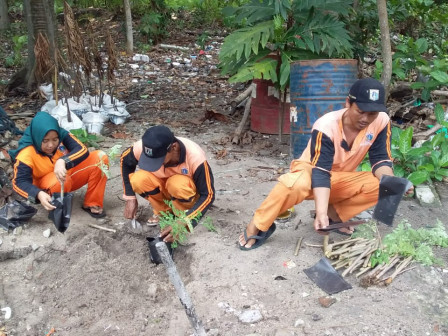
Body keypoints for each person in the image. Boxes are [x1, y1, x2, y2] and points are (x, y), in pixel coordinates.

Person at [239, 77, 414, 251]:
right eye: (361, 111)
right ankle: (258, 223)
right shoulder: (326, 126)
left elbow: (381, 158)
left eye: (372, 114)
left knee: (381, 185)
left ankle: (334, 215)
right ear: (348, 103)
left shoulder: (381, 121)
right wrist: (319, 212)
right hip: (311, 171)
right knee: (294, 184)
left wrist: (391, 182)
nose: (366, 119)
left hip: (340, 177)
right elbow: (321, 172)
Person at [120, 125, 215, 243]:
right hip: (162, 187)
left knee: (177, 184)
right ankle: (164, 213)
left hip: (184, 193)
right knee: (138, 179)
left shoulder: (195, 157)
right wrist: (130, 197)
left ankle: (181, 216)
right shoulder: (145, 146)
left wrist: (185, 221)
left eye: (159, 159)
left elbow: (208, 195)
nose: (156, 164)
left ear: (174, 147)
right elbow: (125, 160)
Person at [10, 112, 109, 218]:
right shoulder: (26, 153)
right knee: (61, 180)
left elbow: (82, 150)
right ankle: (55, 206)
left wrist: (62, 161)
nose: (51, 145)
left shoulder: (61, 134)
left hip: (66, 174)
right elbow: (19, 182)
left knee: (100, 158)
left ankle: (92, 202)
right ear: (37, 137)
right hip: (47, 186)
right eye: (45, 141)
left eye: (55, 140)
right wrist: (38, 194)